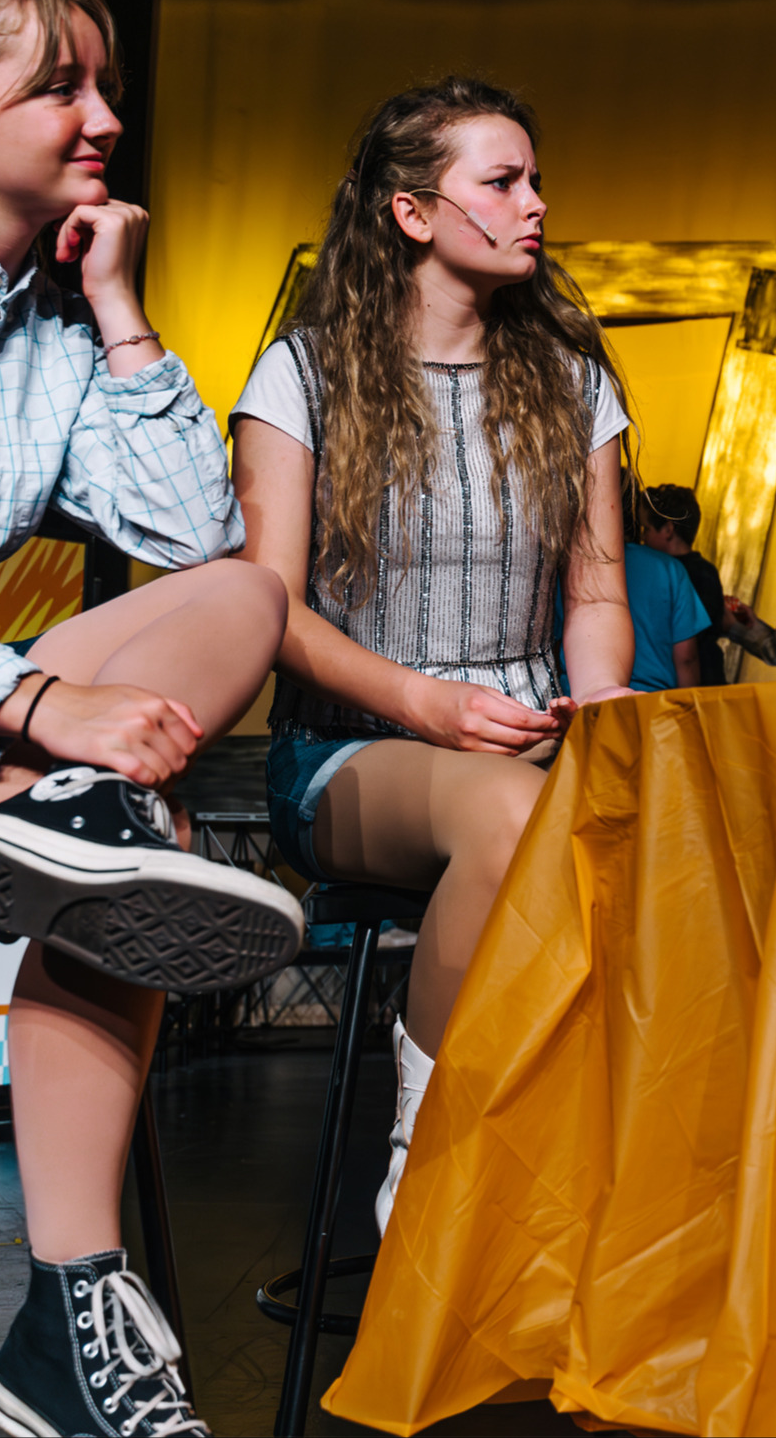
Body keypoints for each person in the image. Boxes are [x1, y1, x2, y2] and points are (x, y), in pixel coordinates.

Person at [0, 0, 302, 1438]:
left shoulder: (52, 320)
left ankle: (67, 1316)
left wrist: (122, 310)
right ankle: (77, 1313)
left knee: (245, 598)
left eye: (109, 88)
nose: (101, 119)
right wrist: (26, 707)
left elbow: (192, 537)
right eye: (58, 86)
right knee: (111, 834)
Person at [231, 76, 634, 1237]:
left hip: (525, 737)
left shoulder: (571, 383)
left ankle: (634, 1202)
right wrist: (425, 702)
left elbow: (597, 592)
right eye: (502, 183)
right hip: (351, 757)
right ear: (414, 214)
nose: (535, 205)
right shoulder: (302, 376)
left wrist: (599, 700)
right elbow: (272, 609)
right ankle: (433, 1156)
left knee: (687, 831)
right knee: (510, 820)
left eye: (536, 179)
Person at [621, 498, 713, 693]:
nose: (644, 537)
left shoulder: (574, 566)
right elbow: (686, 657)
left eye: (646, 529)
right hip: (652, 699)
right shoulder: (670, 570)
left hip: (578, 697)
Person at [640, 484, 727, 685]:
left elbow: (688, 651)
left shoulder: (668, 573)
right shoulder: (708, 572)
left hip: (694, 684)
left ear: (668, 529)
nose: (642, 537)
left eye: (646, 529)